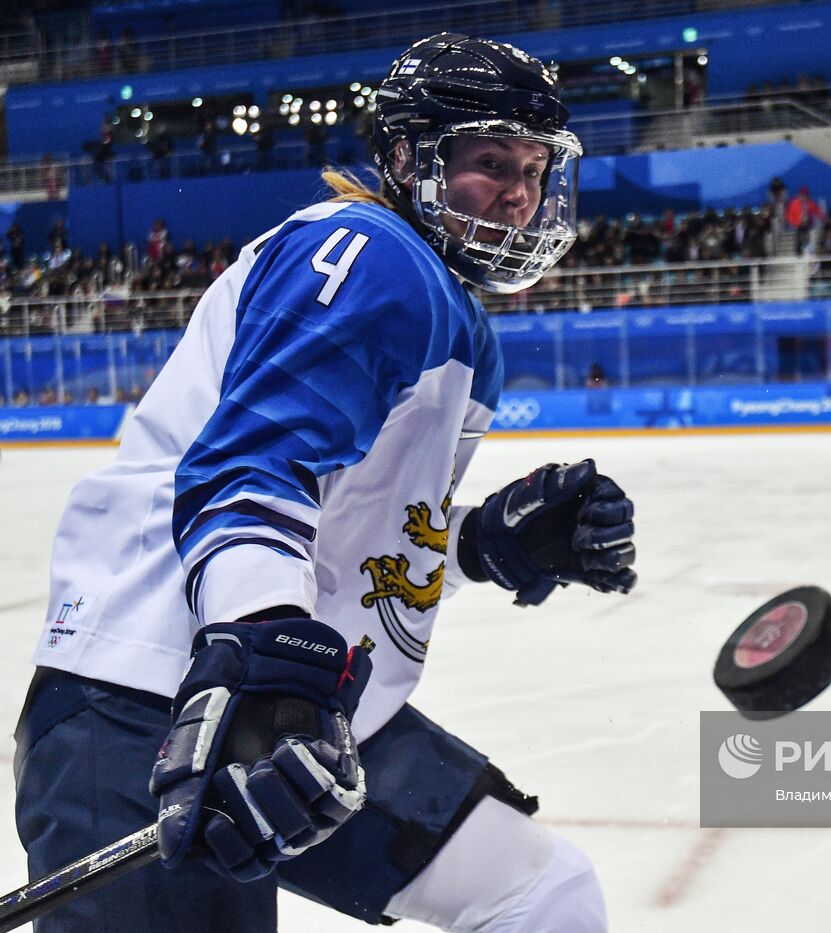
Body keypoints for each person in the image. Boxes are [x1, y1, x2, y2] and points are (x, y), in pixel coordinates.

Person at [15, 34, 634, 933]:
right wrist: (265, 643)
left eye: (535, 169)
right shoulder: (370, 249)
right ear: (403, 157)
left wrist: (478, 545)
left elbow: (355, 531)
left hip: (293, 697)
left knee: (539, 892)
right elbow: (250, 466)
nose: (519, 193)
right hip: (153, 697)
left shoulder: (453, 314)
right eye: (490, 161)